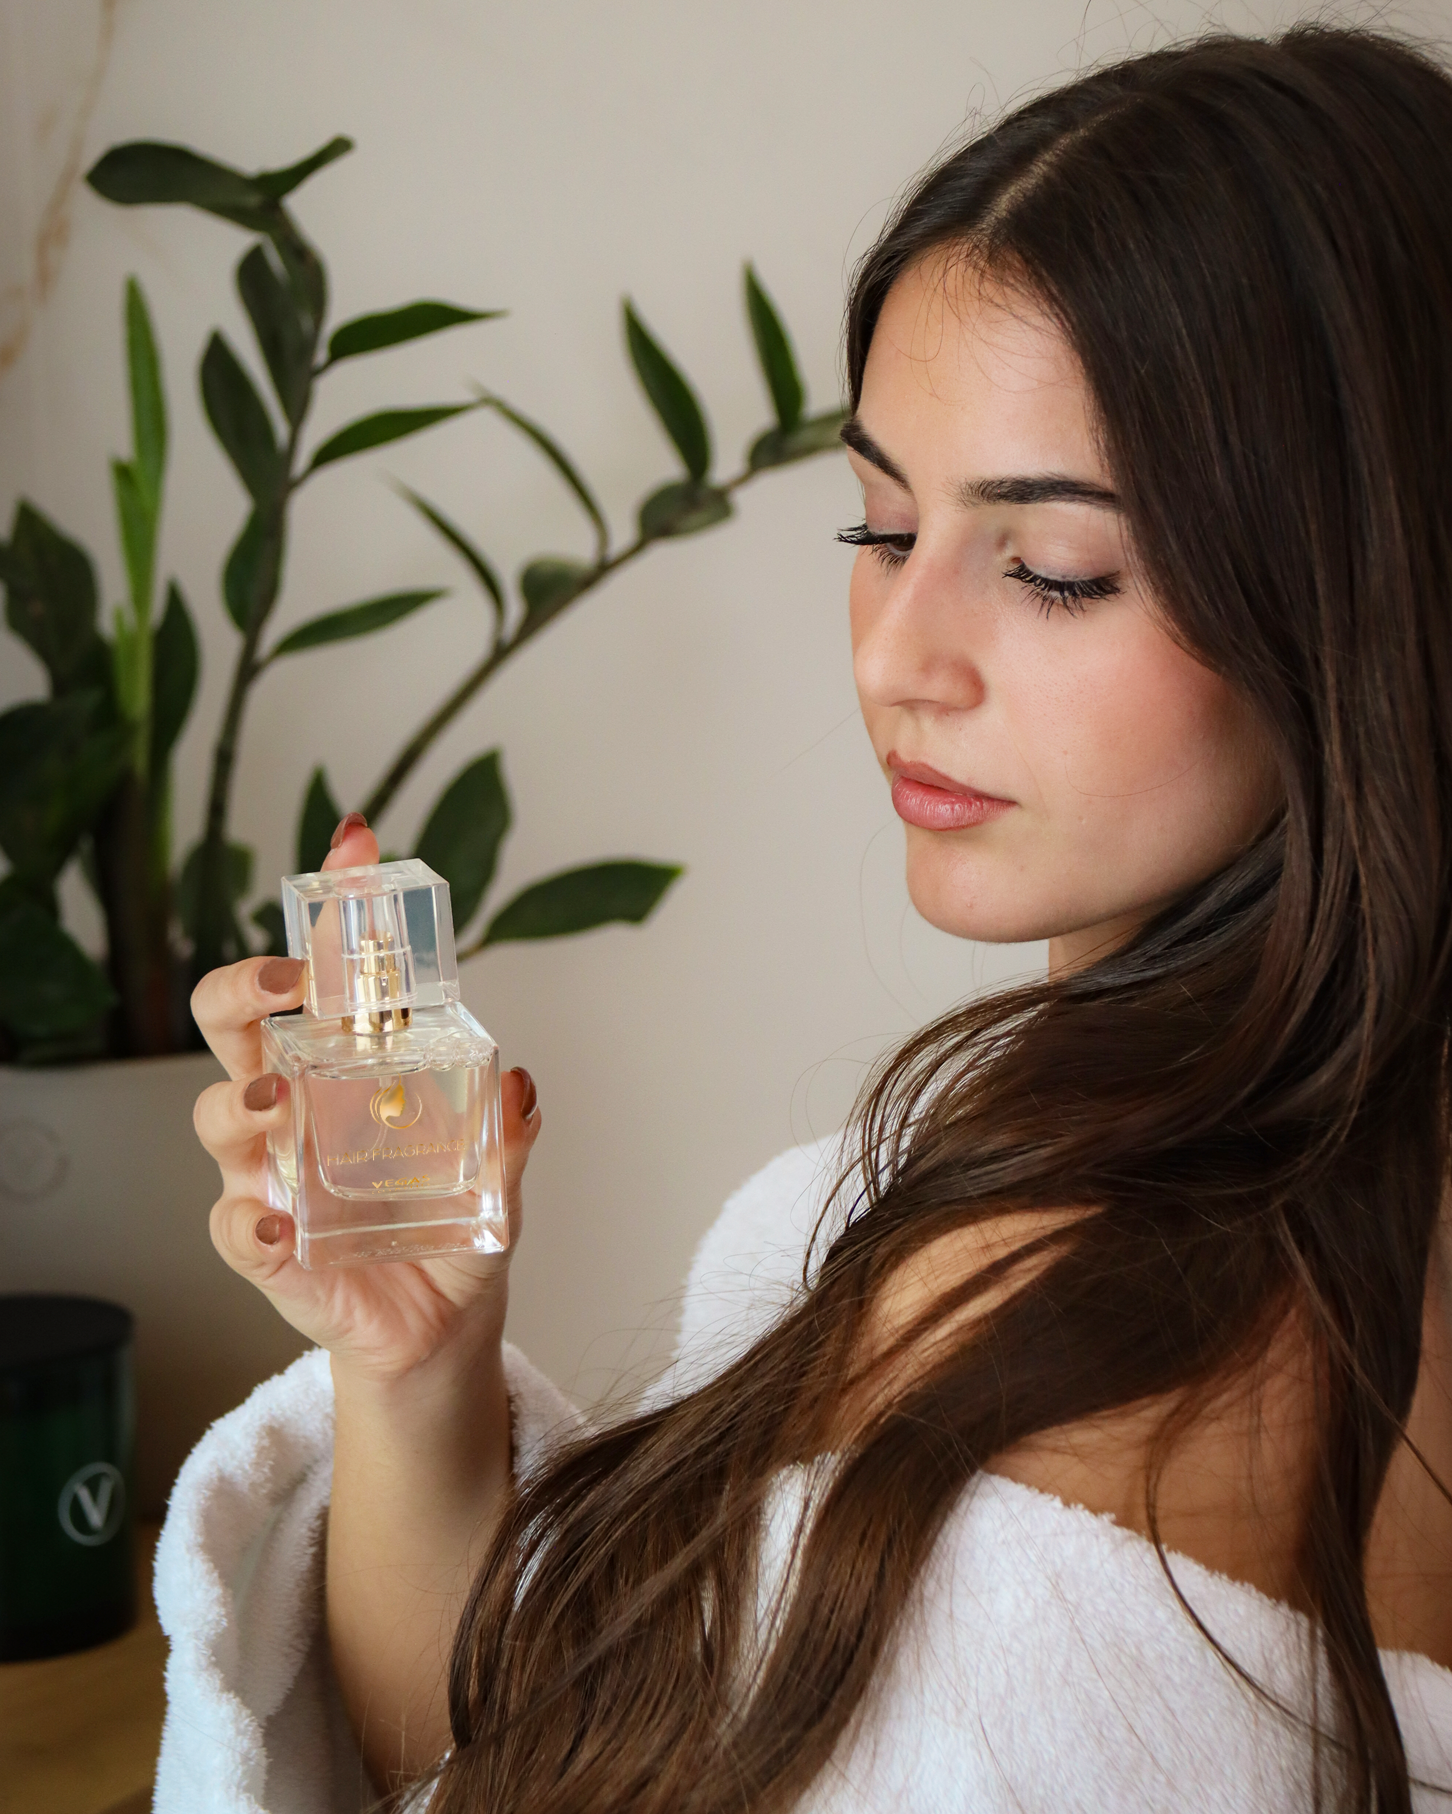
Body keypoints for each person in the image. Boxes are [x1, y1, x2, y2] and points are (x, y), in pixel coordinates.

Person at [156, 24, 1452, 1814]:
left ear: (1364, 589)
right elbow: (504, 1752)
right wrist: (417, 1365)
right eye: (879, 526)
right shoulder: (900, 1203)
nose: (898, 657)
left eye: (1053, 565)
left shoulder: (1146, 1343)